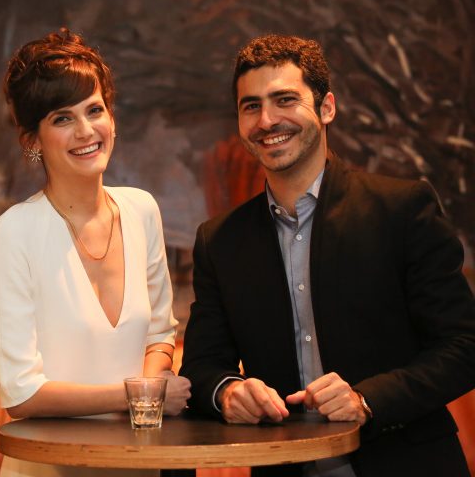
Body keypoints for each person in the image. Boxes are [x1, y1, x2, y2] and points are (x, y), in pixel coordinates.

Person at [179, 34, 475, 477]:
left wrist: (367, 399)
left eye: (285, 100)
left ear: (327, 107)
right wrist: (226, 392)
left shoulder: (401, 210)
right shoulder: (220, 241)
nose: (267, 120)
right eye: (251, 106)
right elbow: (203, 367)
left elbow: (464, 346)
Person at [0, 29, 191, 477]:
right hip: (47, 469)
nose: (85, 131)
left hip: (140, 465)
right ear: (33, 140)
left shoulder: (142, 210)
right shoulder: (13, 233)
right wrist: (141, 396)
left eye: (94, 110)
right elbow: (21, 394)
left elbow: (160, 335)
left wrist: (148, 385)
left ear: (111, 118)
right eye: (62, 118)